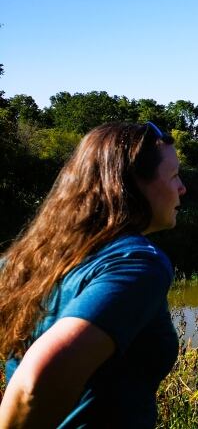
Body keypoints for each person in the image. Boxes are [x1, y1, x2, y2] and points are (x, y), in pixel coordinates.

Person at [0, 121, 186, 428]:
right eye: (175, 175)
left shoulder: (27, 260)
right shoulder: (137, 262)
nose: (182, 188)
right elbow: (36, 381)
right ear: (133, 184)